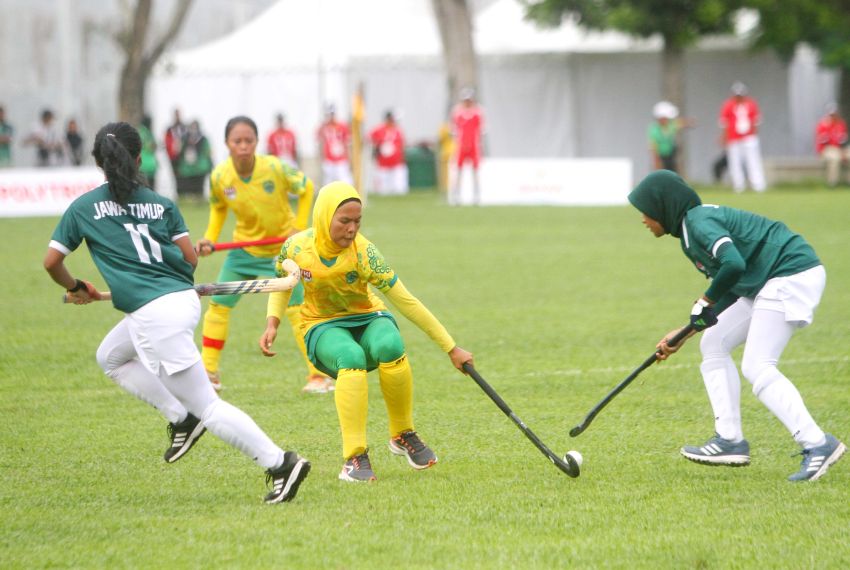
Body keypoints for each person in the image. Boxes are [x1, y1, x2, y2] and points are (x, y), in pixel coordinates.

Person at [43, 121, 310, 504]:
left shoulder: (82, 208)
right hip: (177, 301)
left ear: (99, 163)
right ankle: (180, 417)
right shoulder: (161, 203)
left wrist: (74, 287)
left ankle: (281, 463)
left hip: (156, 315)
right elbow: (188, 260)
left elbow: (52, 261)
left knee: (209, 406)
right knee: (111, 357)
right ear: (138, 158)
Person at [628, 169, 846, 482]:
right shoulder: (690, 233)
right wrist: (684, 333)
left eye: (646, 210)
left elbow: (733, 265)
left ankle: (818, 443)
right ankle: (729, 441)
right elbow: (731, 287)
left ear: (663, 207)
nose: (643, 219)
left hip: (790, 273)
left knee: (758, 366)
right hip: (765, 281)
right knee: (713, 343)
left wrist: (703, 302)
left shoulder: (698, 223)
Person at [260, 182, 474, 482]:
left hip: (368, 316)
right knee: (351, 356)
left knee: (390, 344)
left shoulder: (365, 252)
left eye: (357, 221)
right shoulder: (295, 247)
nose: (352, 229)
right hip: (321, 324)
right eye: (344, 221)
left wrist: (451, 348)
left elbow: (406, 301)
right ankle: (354, 457)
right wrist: (273, 322)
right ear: (323, 217)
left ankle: (402, 434)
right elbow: (281, 285)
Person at [195, 116, 333, 394]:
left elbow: (306, 189)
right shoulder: (220, 176)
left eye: (249, 141)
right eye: (237, 141)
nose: (243, 146)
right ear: (227, 144)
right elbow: (219, 207)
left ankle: (319, 377)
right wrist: (210, 238)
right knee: (218, 306)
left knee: (297, 311)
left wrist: (298, 227)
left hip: (282, 253)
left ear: (257, 142)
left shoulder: (275, 168)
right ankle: (209, 374)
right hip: (243, 251)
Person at [718, 81, 766, 193]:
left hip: (749, 137)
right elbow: (724, 123)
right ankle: (738, 185)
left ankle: (758, 185)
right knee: (735, 162)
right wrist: (724, 137)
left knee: (753, 161)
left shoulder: (751, 104)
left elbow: (756, 122)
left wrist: (753, 136)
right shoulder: (728, 105)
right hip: (733, 138)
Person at [450, 87, 484, 205]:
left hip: (473, 146)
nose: (468, 102)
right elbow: (454, 130)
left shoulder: (478, 112)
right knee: (458, 171)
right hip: (461, 146)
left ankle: (476, 196)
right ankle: (456, 196)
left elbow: (480, 130)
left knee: (475, 172)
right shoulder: (457, 112)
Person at [369, 110, 408, 195]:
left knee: (399, 189)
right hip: (383, 165)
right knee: (383, 191)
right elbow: (369, 140)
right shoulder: (378, 129)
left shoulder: (398, 130)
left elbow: (402, 146)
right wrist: (376, 149)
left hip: (397, 165)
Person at [647, 101, 692, 173]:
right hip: (660, 157)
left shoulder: (670, 125)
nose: (668, 120)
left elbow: (682, 123)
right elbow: (653, 147)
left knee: (672, 172)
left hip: (671, 156)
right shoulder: (654, 129)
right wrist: (657, 163)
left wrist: (689, 122)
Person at [175, 120, 213, 201]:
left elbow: (208, 152)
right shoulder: (184, 138)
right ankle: (190, 200)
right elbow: (178, 150)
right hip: (188, 169)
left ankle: (199, 201)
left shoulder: (203, 139)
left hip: (200, 168)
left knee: (199, 188)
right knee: (189, 187)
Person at [814, 102, 849, 187]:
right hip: (827, 149)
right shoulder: (823, 125)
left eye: (834, 114)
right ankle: (832, 183)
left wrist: (843, 152)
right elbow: (825, 143)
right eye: (831, 115)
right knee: (835, 158)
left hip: (839, 149)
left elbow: (843, 141)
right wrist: (840, 152)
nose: (833, 117)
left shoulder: (841, 124)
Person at [316, 103, 353, 186]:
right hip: (329, 160)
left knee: (346, 181)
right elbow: (320, 144)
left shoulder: (343, 126)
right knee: (328, 183)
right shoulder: (322, 127)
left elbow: (347, 144)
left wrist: (349, 159)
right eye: (329, 114)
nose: (331, 116)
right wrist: (321, 158)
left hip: (341, 159)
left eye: (332, 114)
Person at [163, 109, 186, 186]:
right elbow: (166, 141)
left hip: (182, 156)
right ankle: (178, 190)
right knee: (175, 174)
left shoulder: (184, 127)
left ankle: (183, 190)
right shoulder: (170, 129)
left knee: (183, 174)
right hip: (173, 156)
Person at [138, 114, 158, 192]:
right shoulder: (145, 132)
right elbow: (151, 146)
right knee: (149, 189)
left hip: (145, 165)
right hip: (146, 166)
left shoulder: (142, 131)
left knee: (145, 189)